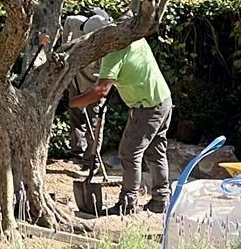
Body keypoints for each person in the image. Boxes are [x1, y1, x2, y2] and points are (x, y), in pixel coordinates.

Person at [71, 12, 173, 215]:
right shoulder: (133, 37)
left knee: (130, 152)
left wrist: (71, 103)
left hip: (147, 107)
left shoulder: (112, 53)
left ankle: (128, 203)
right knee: (155, 151)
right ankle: (161, 200)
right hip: (163, 100)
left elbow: (100, 91)